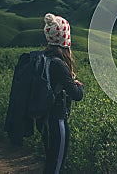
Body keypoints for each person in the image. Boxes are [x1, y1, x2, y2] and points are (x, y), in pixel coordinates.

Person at [41, 13, 84, 174]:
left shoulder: (45, 58)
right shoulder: (59, 64)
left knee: (50, 160)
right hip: (57, 119)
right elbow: (77, 95)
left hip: (44, 119)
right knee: (56, 164)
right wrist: (79, 86)